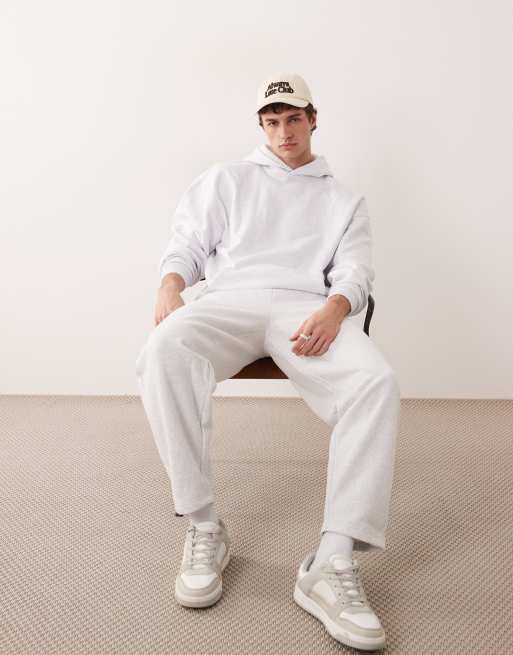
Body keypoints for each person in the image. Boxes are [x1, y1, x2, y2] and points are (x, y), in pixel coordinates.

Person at [135, 72, 400, 651]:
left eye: (294, 119)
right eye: (272, 121)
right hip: (230, 301)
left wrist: (335, 308)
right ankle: (205, 523)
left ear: (313, 119)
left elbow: (355, 272)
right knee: (162, 350)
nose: (284, 132)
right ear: (262, 125)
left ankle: (331, 562)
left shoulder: (343, 200)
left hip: (306, 310)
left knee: (375, 381)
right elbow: (186, 245)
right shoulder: (227, 179)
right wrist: (170, 284)